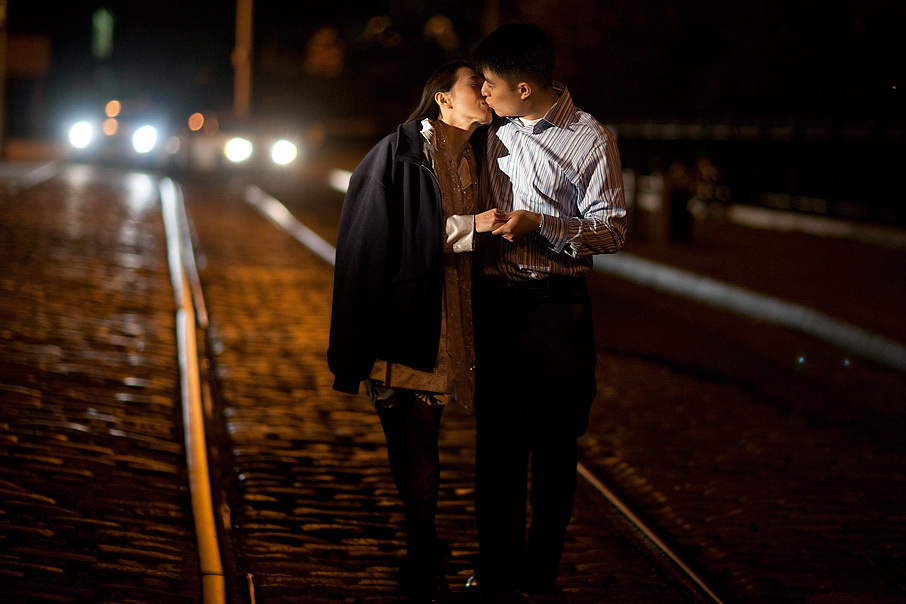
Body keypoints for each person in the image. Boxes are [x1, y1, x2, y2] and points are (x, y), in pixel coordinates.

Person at [327, 60, 501, 602]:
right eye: (474, 84)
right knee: (414, 439)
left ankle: (425, 547)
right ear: (443, 99)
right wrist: (474, 227)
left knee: (420, 439)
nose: (485, 92)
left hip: (454, 317)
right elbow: (376, 243)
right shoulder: (396, 155)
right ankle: (421, 550)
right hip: (406, 320)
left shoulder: (482, 156)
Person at [466, 23, 628, 601]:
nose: (483, 93)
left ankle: (541, 571)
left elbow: (612, 231)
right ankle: (497, 568)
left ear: (524, 87)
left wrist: (544, 225)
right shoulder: (493, 131)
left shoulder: (590, 140)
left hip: (555, 308)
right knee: (496, 445)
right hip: (496, 303)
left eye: (490, 83)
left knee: (555, 443)